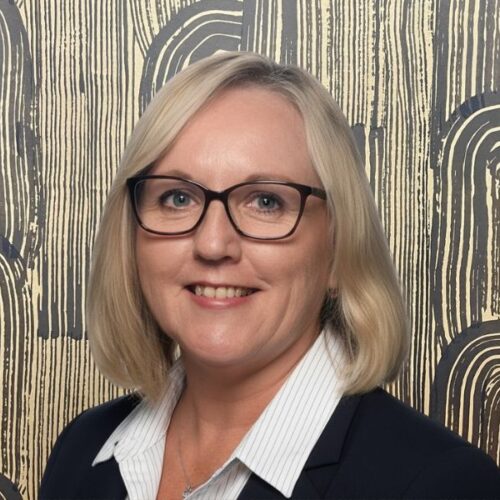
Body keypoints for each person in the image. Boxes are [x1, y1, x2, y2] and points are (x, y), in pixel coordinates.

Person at [39, 51, 500, 500]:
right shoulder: (83, 449)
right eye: (178, 198)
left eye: (266, 202)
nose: (213, 245)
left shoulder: (445, 485)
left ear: (338, 249)